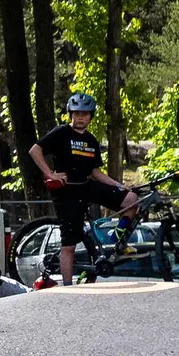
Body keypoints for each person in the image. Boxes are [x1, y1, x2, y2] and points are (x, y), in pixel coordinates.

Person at [28, 92, 138, 284]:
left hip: (86, 186)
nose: (80, 118)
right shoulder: (61, 132)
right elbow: (34, 150)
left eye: (85, 114)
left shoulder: (91, 140)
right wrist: (50, 174)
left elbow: (94, 172)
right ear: (71, 114)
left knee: (131, 199)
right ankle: (67, 287)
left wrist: (119, 185)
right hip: (66, 192)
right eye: (77, 114)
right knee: (69, 245)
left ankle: (117, 239)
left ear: (90, 116)